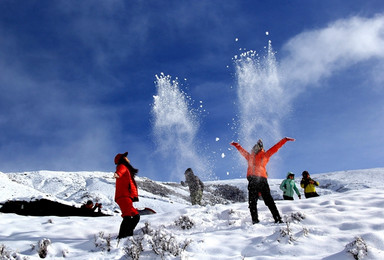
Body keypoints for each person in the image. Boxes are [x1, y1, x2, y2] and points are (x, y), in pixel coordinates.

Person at [231, 137, 295, 224]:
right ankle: (255, 220)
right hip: (252, 180)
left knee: (269, 201)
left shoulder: (265, 155)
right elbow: (242, 151)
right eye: (255, 146)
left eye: (258, 146)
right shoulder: (250, 157)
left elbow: (275, 148)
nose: (255, 148)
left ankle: (278, 219)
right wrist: (237, 145)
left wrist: (284, 140)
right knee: (252, 202)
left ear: (261, 147)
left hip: (262, 180)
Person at [114, 152, 140, 239]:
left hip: (127, 196)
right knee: (127, 217)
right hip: (123, 196)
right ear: (122, 159)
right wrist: (117, 174)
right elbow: (120, 171)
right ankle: (121, 237)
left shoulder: (127, 169)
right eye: (125, 157)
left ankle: (128, 235)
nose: (128, 158)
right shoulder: (122, 166)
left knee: (136, 216)